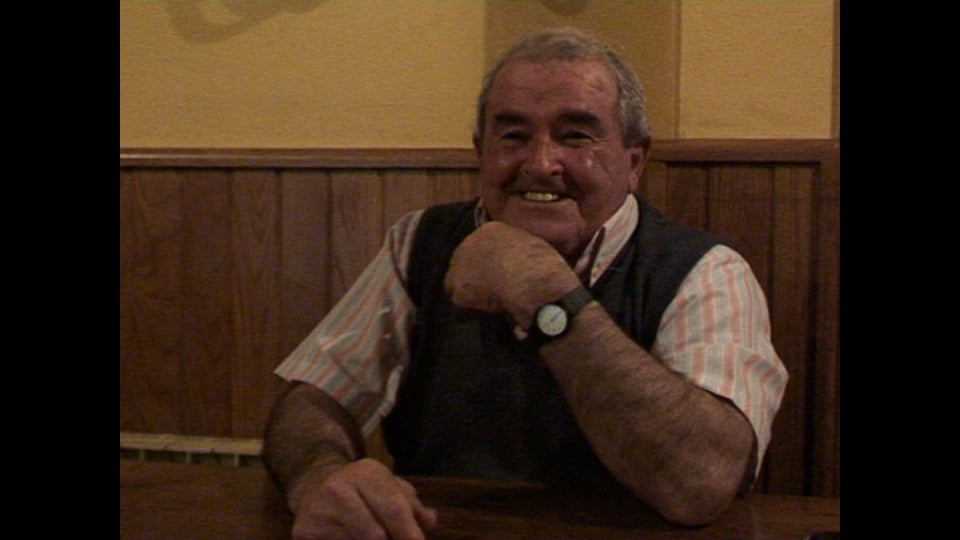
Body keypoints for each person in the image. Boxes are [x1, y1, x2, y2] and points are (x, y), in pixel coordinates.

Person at [263, 26, 788, 538]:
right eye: (513, 135)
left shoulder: (707, 271)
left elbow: (702, 481)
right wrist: (319, 477)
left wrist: (548, 297)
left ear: (635, 161)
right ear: (481, 151)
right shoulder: (418, 242)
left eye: (576, 135)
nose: (540, 164)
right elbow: (311, 400)